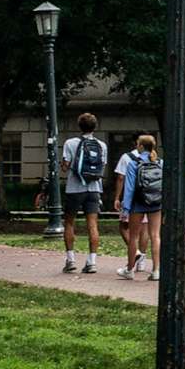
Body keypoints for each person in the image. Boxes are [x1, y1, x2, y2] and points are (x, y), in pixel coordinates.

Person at [55, 117, 106, 274]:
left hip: (75, 188)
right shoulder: (101, 145)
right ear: (95, 127)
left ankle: (70, 259)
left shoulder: (71, 143)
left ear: (79, 126)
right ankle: (92, 262)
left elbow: (66, 166)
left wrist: (62, 165)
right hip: (94, 188)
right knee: (92, 224)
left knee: (69, 222)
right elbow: (102, 166)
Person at [122, 134, 163, 281]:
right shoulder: (160, 163)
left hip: (137, 202)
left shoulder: (134, 164)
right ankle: (156, 270)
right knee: (155, 236)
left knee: (133, 236)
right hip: (156, 203)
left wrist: (125, 208)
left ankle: (130, 269)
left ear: (140, 146)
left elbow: (129, 188)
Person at [112, 136, 145, 278]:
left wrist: (117, 197)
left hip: (131, 198)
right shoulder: (154, 158)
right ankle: (142, 261)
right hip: (149, 198)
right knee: (146, 230)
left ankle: (135, 254)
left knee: (125, 228)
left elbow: (120, 178)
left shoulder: (127, 157)